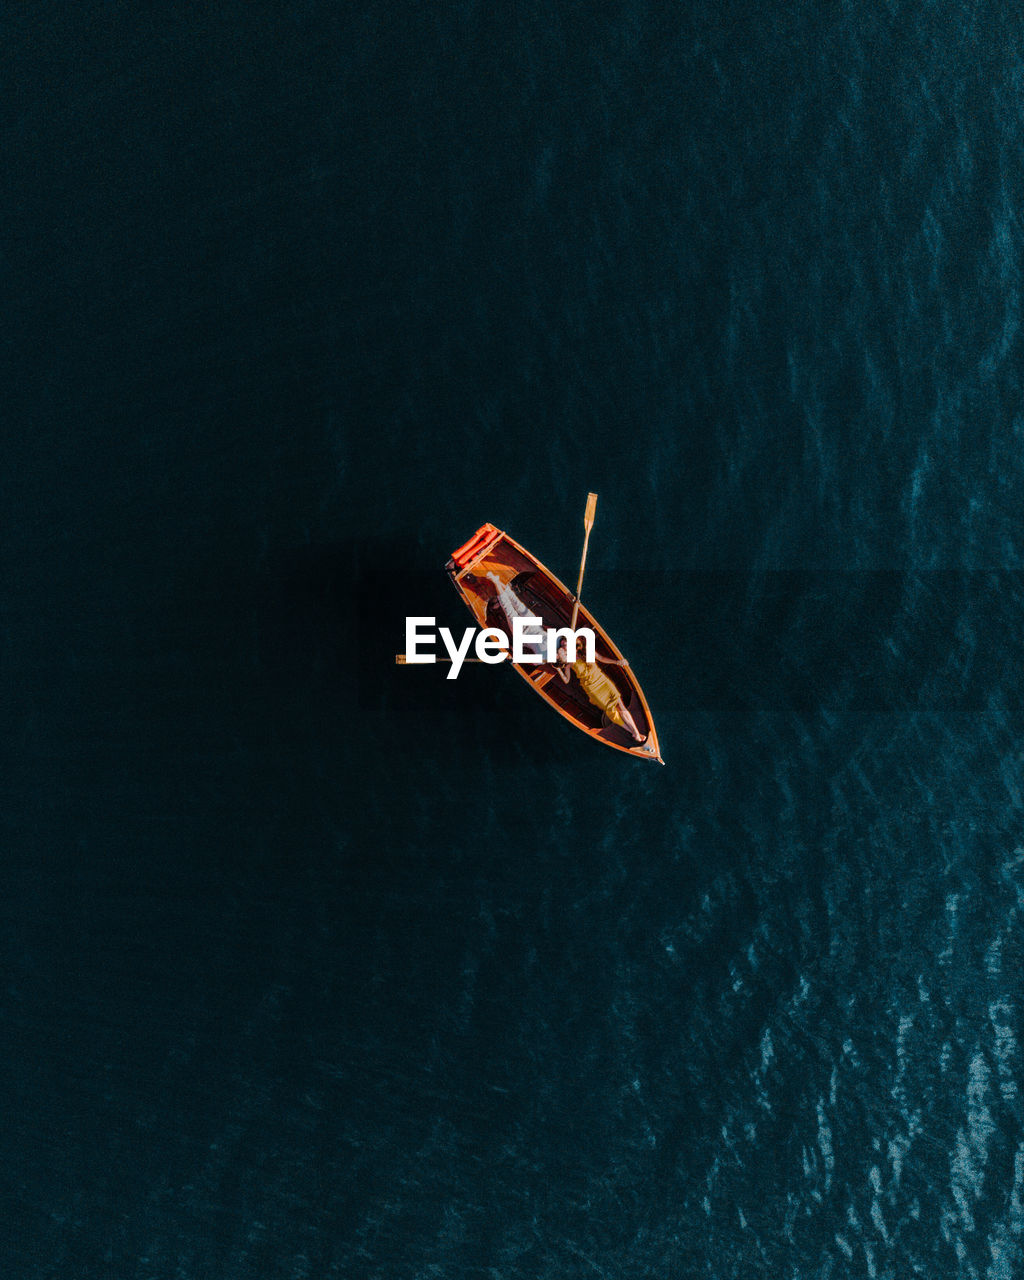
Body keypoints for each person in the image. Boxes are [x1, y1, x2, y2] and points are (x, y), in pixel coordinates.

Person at [554, 636, 646, 743]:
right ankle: (635, 733)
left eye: (565, 643)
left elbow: (602, 658)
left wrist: (617, 662)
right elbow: (566, 680)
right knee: (612, 712)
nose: (564, 646)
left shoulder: (586, 650)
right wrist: (558, 670)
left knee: (621, 706)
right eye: (562, 645)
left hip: (603, 681)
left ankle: (635, 732)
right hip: (593, 689)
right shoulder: (568, 661)